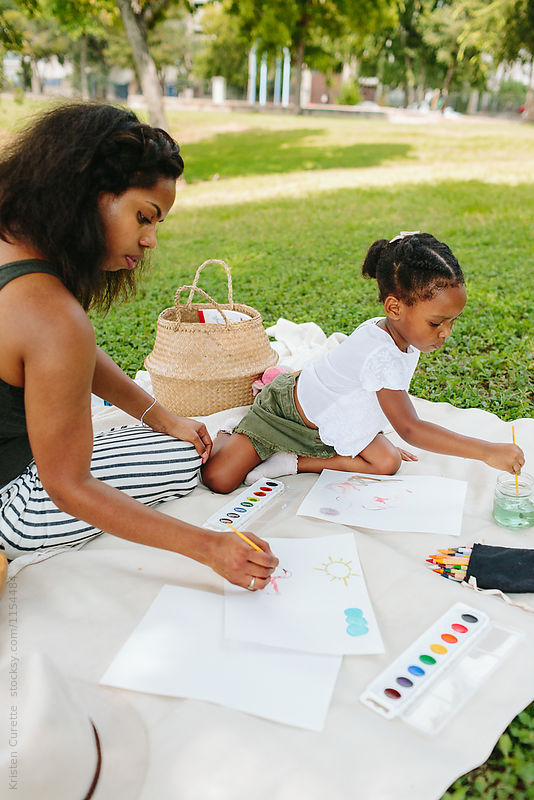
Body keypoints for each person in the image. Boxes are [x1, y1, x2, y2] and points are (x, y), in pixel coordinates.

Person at [0, 102, 277, 590]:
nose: (150, 240)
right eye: (144, 217)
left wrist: (161, 416)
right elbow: (69, 487)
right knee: (184, 456)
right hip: (13, 503)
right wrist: (211, 547)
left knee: (175, 435)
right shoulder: (50, 315)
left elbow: (72, 355)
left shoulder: (13, 242)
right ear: (88, 193)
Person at [202, 232, 525, 493]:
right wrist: (486, 451)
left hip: (331, 421)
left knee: (387, 462)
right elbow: (411, 428)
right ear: (394, 308)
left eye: (452, 322)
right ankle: (235, 432)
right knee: (218, 479)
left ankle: (293, 463)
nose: (446, 334)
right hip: (287, 414)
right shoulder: (380, 352)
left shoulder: (398, 331)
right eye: (437, 323)